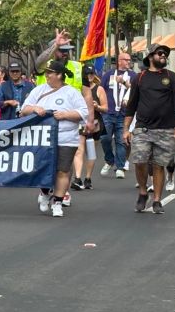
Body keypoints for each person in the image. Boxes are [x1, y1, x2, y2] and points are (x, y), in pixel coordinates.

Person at [122, 43, 175, 214]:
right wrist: (126, 129)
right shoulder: (140, 78)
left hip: (165, 129)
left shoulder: (172, 77)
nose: (163, 55)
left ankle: (157, 199)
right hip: (143, 128)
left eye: (165, 53)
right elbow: (131, 105)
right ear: (150, 56)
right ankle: (143, 192)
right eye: (160, 53)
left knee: (159, 165)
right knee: (140, 161)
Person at [21, 61, 88, 217]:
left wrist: (65, 115)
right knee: (44, 168)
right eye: (46, 73)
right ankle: (45, 193)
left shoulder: (71, 92)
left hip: (66, 138)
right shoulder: (39, 90)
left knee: (63, 170)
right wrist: (35, 109)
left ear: (59, 75)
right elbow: (24, 109)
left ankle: (57, 202)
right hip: (43, 138)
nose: (47, 75)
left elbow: (83, 113)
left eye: (50, 73)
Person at [100, 51, 137, 179]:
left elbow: (136, 90)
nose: (128, 62)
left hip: (124, 114)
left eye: (129, 60)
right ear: (119, 61)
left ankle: (120, 167)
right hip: (108, 112)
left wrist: (124, 83)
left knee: (121, 141)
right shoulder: (109, 74)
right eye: (126, 60)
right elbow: (101, 90)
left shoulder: (133, 75)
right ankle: (110, 160)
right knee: (105, 138)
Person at [72, 65, 107, 190]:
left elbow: (106, 108)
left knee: (91, 152)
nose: (90, 76)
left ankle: (88, 177)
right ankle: (77, 177)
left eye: (92, 74)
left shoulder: (99, 89)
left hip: (95, 124)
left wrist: (97, 107)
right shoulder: (78, 87)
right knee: (79, 149)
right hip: (80, 123)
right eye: (87, 74)